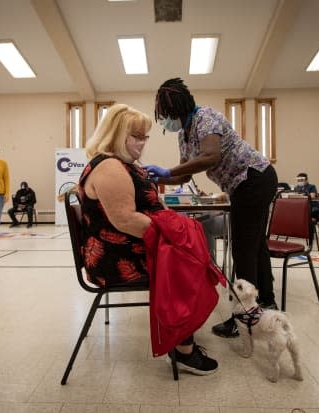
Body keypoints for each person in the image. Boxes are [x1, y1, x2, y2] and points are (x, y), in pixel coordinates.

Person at [79, 103, 218, 375]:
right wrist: (176, 237)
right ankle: (183, 350)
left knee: (193, 255)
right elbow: (126, 220)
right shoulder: (110, 167)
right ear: (117, 135)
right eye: (137, 137)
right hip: (117, 257)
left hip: (127, 247)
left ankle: (182, 335)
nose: (143, 143)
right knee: (188, 263)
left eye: (145, 137)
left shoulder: (123, 164)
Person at [146, 77, 279, 339]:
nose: (163, 120)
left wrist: (168, 170)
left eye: (164, 114)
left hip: (253, 178)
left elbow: (210, 156)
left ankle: (244, 317)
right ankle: (267, 302)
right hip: (245, 184)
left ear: (176, 109)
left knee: (243, 248)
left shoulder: (205, 117)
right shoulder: (184, 134)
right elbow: (184, 175)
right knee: (255, 245)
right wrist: (158, 177)